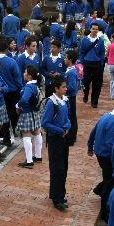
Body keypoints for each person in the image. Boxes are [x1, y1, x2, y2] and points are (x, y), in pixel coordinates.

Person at [41, 75, 71, 211]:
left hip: (63, 138)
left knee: (64, 167)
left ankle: (61, 193)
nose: (66, 89)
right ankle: (56, 197)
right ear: (56, 88)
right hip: (55, 139)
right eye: (63, 87)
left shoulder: (65, 100)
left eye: (65, 86)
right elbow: (45, 123)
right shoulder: (51, 102)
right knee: (57, 168)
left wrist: (68, 127)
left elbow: (68, 118)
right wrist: (60, 130)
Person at [16, 65, 42, 169]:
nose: (24, 74)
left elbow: (24, 100)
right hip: (35, 113)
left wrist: (18, 105)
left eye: (25, 72)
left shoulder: (28, 87)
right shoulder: (35, 85)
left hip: (27, 113)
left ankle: (29, 160)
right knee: (37, 133)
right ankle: (38, 156)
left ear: (29, 75)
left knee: (26, 136)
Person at [80, 23, 106, 108]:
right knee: (86, 82)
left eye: (96, 29)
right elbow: (82, 52)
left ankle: (94, 101)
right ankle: (86, 94)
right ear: (90, 29)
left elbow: (102, 53)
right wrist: (82, 62)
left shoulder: (101, 40)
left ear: (98, 30)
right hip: (87, 64)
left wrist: (101, 61)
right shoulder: (84, 40)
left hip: (97, 64)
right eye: (93, 29)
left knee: (97, 84)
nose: (94, 30)